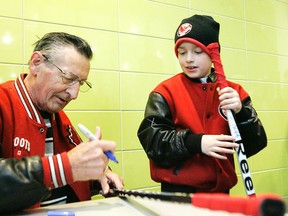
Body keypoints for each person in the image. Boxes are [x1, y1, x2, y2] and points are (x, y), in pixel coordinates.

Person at [137, 15, 267, 194]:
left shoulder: (234, 92)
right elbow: (153, 143)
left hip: (220, 197)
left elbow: (256, 144)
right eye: (182, 52)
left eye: (197, 52)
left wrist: (241, 112)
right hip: (177, 196)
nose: (188, 59)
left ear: (213, 53)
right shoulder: (164, 92)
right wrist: (196, 142)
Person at [0, 32, 124, 213]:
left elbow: (63, 177)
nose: (74, 94)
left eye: (80, 83)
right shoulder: (4, 102)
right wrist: (66, 166)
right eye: (68, 78)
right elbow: (61, 168)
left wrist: (98, 175)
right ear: (36, 63)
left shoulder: (55, 114)